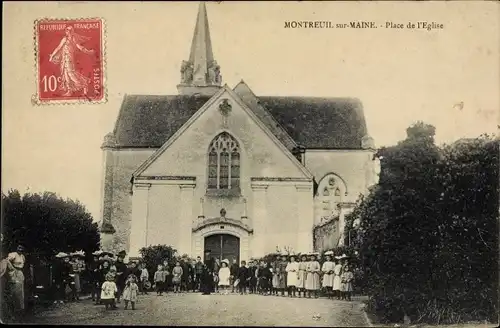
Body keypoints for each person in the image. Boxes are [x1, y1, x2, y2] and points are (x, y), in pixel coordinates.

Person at [48, 26, 95, 96]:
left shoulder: (74, 39)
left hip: (69, 60)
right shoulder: (64, 39)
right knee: (66, 75)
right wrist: (52, 56)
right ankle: (69, 91)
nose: (68, 32)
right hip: (64, 60)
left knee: (71, 74)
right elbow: (58, 48)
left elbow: (80, 47)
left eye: (70, 31)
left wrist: (88, 51)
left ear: (72, 32)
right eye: (67, 31)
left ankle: (84, 85)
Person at [5, 245, 26, 316]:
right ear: (17, 248)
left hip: (20, 273)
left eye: (21, 248)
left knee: (21, 291)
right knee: (14, 290)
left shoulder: (22, 256)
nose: (20, 249)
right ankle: (13, 308)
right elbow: (6, 261)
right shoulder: (13, 254)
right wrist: (12, 269)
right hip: (14, 272)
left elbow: (23, 264)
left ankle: (20, 308)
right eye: (19, 248)